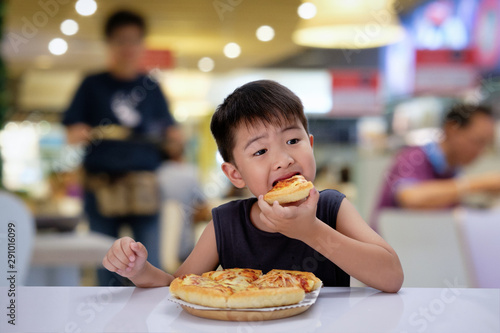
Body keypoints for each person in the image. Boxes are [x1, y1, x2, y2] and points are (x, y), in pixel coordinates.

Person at [102, 80, 404, 292]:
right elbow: (178, 287)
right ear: (235, 174)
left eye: (293, 141)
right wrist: (139, 270)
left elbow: (391, 276)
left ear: (310, 145)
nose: (283, 159)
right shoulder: (226, 223)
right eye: (260, 152)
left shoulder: (332, 208)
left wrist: (311, 231)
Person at [62, 10, 180, 286]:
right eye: (121, 40)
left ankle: (152, 326)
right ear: (109, 43)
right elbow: (72, 132)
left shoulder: (151, 87)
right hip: (102, 187)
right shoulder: (92, 85)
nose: (128, 47)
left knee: (150, 265)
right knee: (107, 266)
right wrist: (87, 132)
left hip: (144, 187)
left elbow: (172, 133)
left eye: (134, 40)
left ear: (142, 44)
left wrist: (174, 139)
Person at [372, 104, 500, 228]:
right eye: (477, 141)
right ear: (452, 129)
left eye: (486, 145)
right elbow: (411, 199)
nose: (481, 151)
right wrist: (479, 184)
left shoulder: (453, 170)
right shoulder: (413, 158)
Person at [157, 139, 210, 262]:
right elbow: (203, 206)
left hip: (152, 247)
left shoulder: (154, 174)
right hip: (183, 248)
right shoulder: (190, 173)